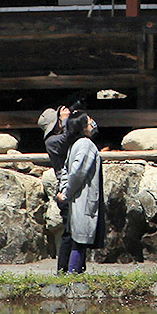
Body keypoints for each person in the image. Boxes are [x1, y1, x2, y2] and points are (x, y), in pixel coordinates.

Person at [54, 109, 101, 274]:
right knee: (79, 239)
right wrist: (66, 193)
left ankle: (72, 272)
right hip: (81, 197)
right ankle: (73, 275)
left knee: (77, 236)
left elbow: (67, 171)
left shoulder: (75, 145)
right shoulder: (86, 145)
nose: (92, 123)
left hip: (77, 197)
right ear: (82, 126)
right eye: (88, 121)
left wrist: (64, 190)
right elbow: (77, 172)